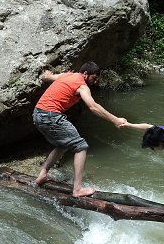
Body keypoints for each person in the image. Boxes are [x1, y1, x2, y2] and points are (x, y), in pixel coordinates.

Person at [33, 61, 127, 197]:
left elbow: (47, 77)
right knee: (81, 146)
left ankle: (42, 175)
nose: (95, 82)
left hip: (37, 114)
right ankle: (77, 189)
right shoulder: (82, 86)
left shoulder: (67, 75)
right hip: (50, 116)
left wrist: (46, 74)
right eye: (94, 78)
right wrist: (115, 120)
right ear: (86, 74)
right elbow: (93, 107)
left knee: (63, 144)